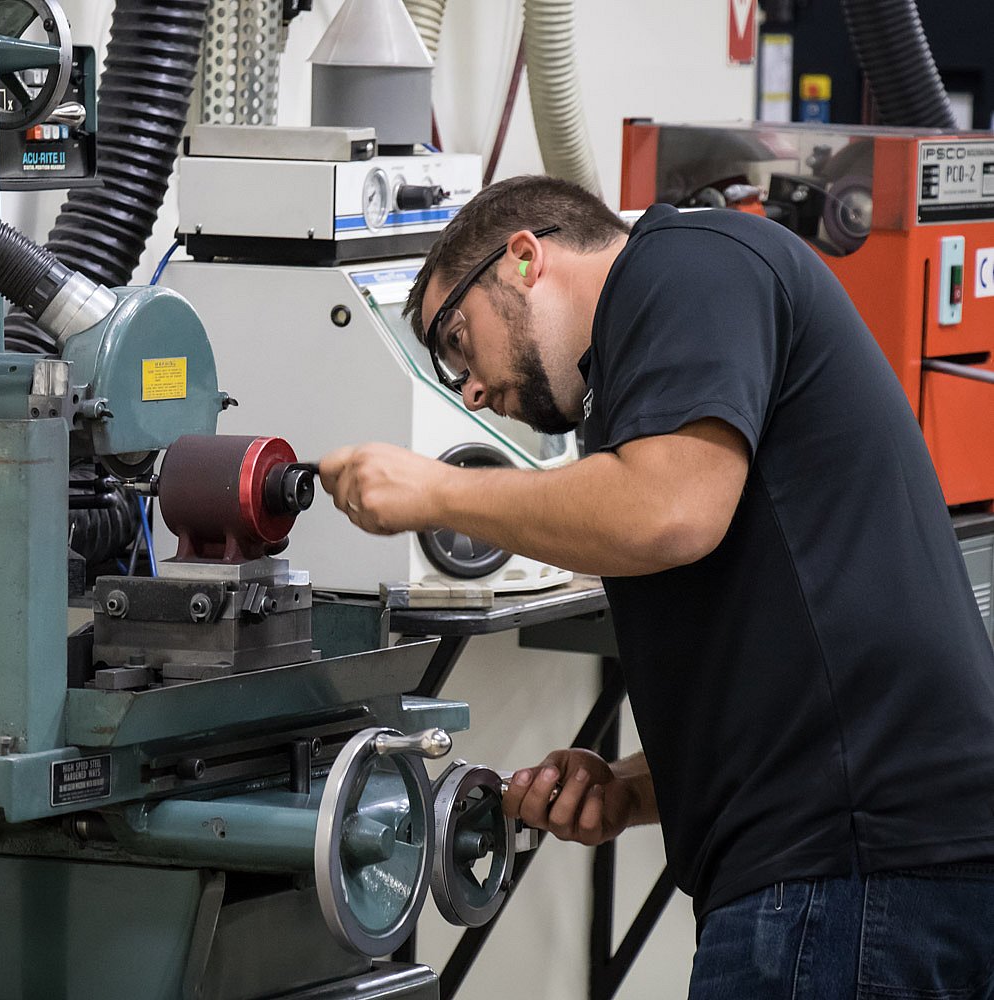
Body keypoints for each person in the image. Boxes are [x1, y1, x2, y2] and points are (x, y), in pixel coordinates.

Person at [317, 175, 994, 998]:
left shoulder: (685, 264)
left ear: (524, 260)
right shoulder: (642, 369)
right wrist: (632, 788)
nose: (473, 391)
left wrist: (437, 493)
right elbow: (793, 654)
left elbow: (671, 512)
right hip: (879, 858)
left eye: (460, 341)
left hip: (849, 871)